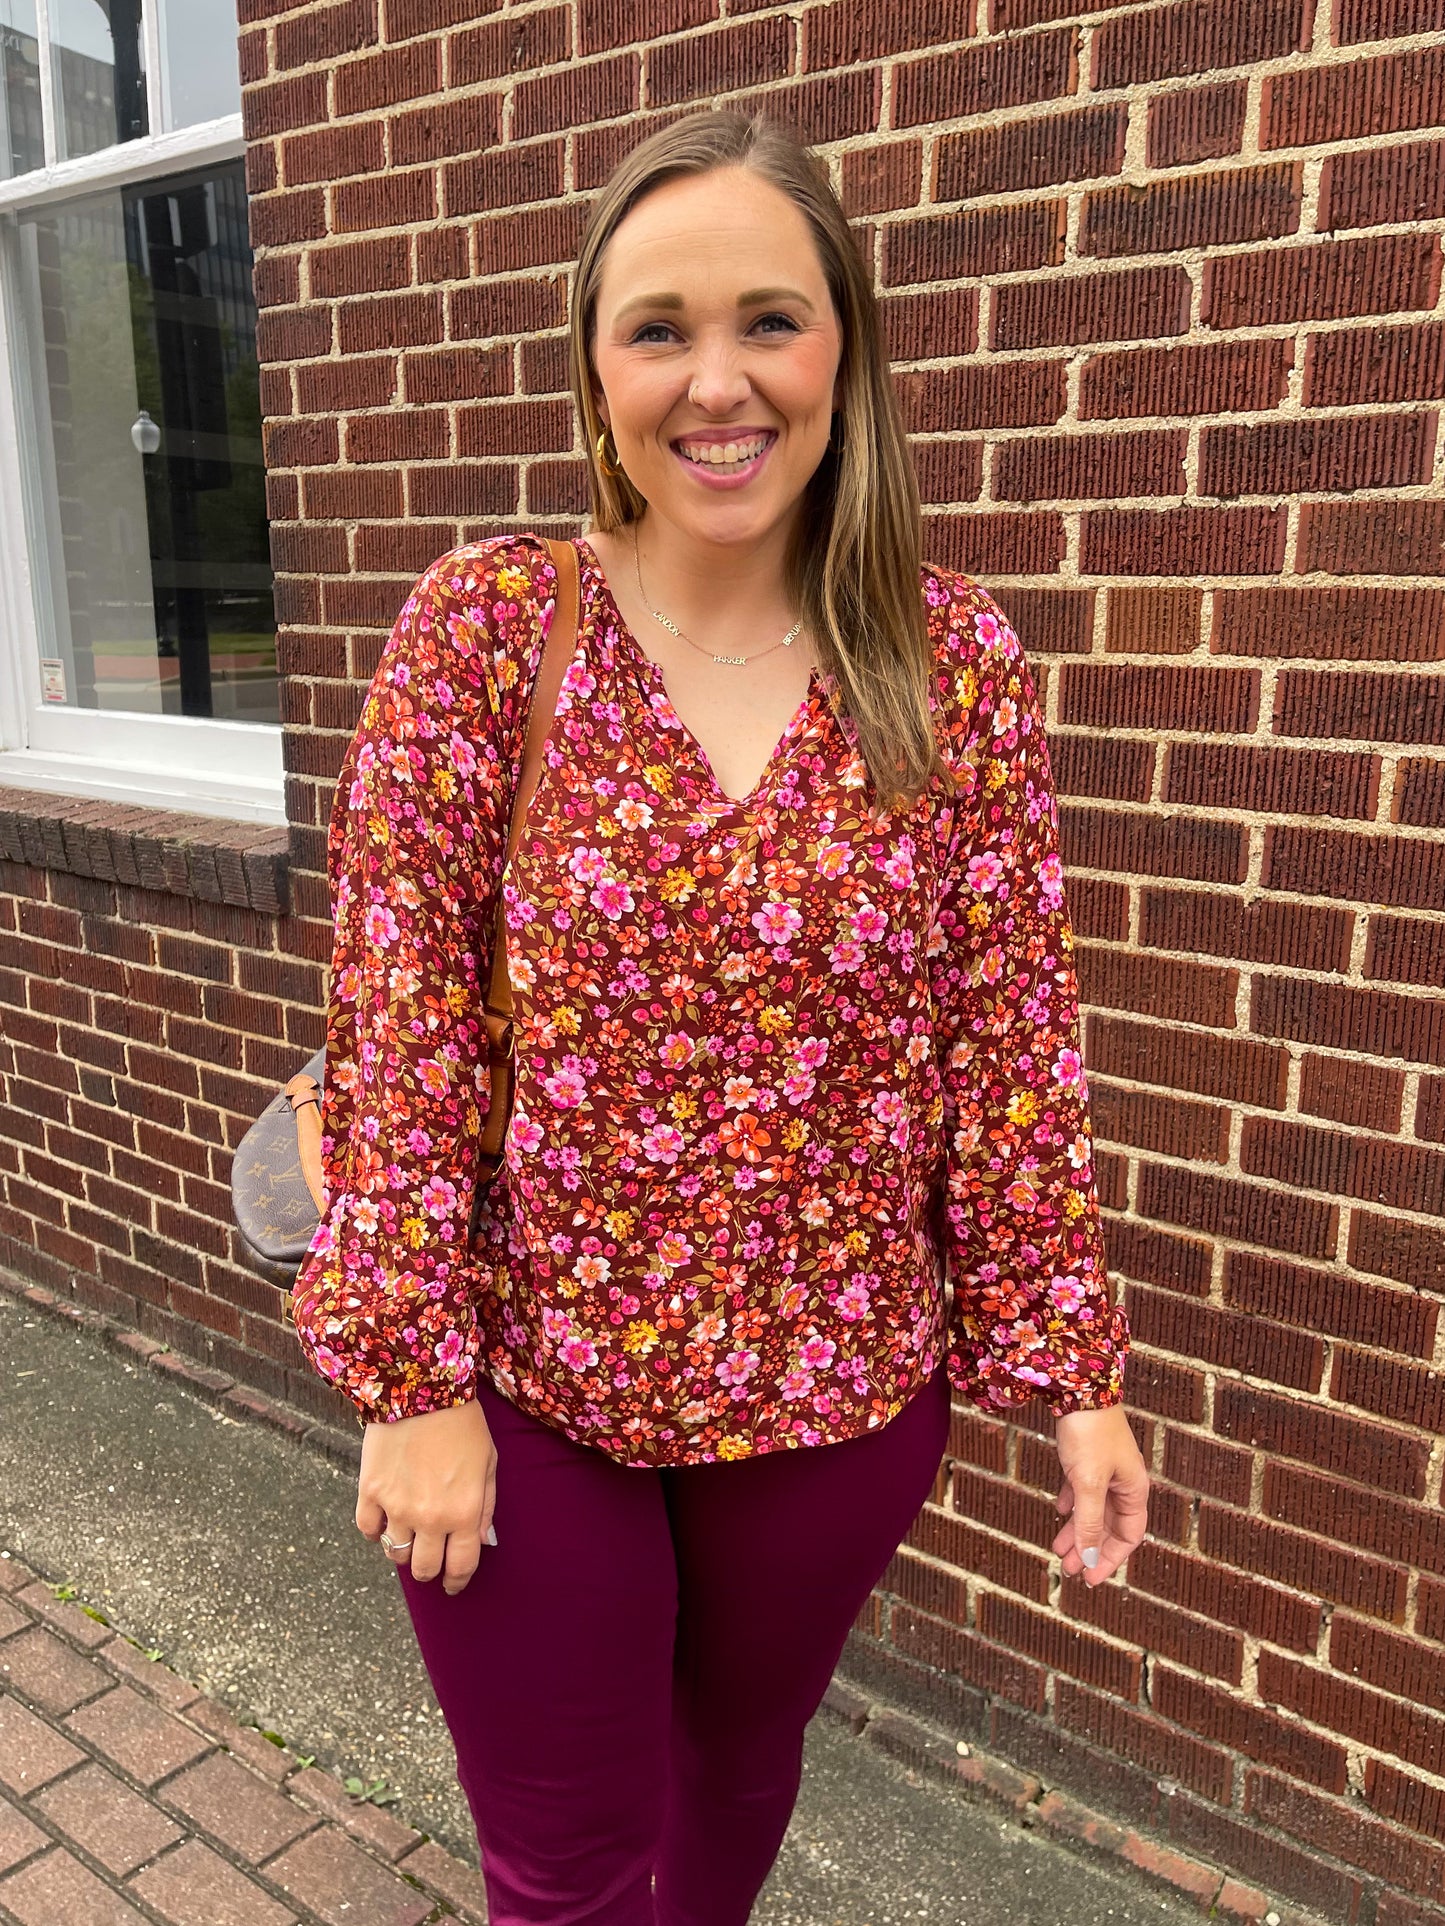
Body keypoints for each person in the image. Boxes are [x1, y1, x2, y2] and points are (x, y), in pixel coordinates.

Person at [291, 107, 1149, 1926]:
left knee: (737, 1788)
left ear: (844, 344)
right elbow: (398, 1020)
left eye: (768, 318)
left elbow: (1007, 1042)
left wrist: (1073, 1373)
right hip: (531, 1387)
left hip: (837, 1381)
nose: (716, 382)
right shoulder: (485, 630)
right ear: (594, 366)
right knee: (568, 1867)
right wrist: (413, 1383)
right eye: (657, 328)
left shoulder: (947, 663)